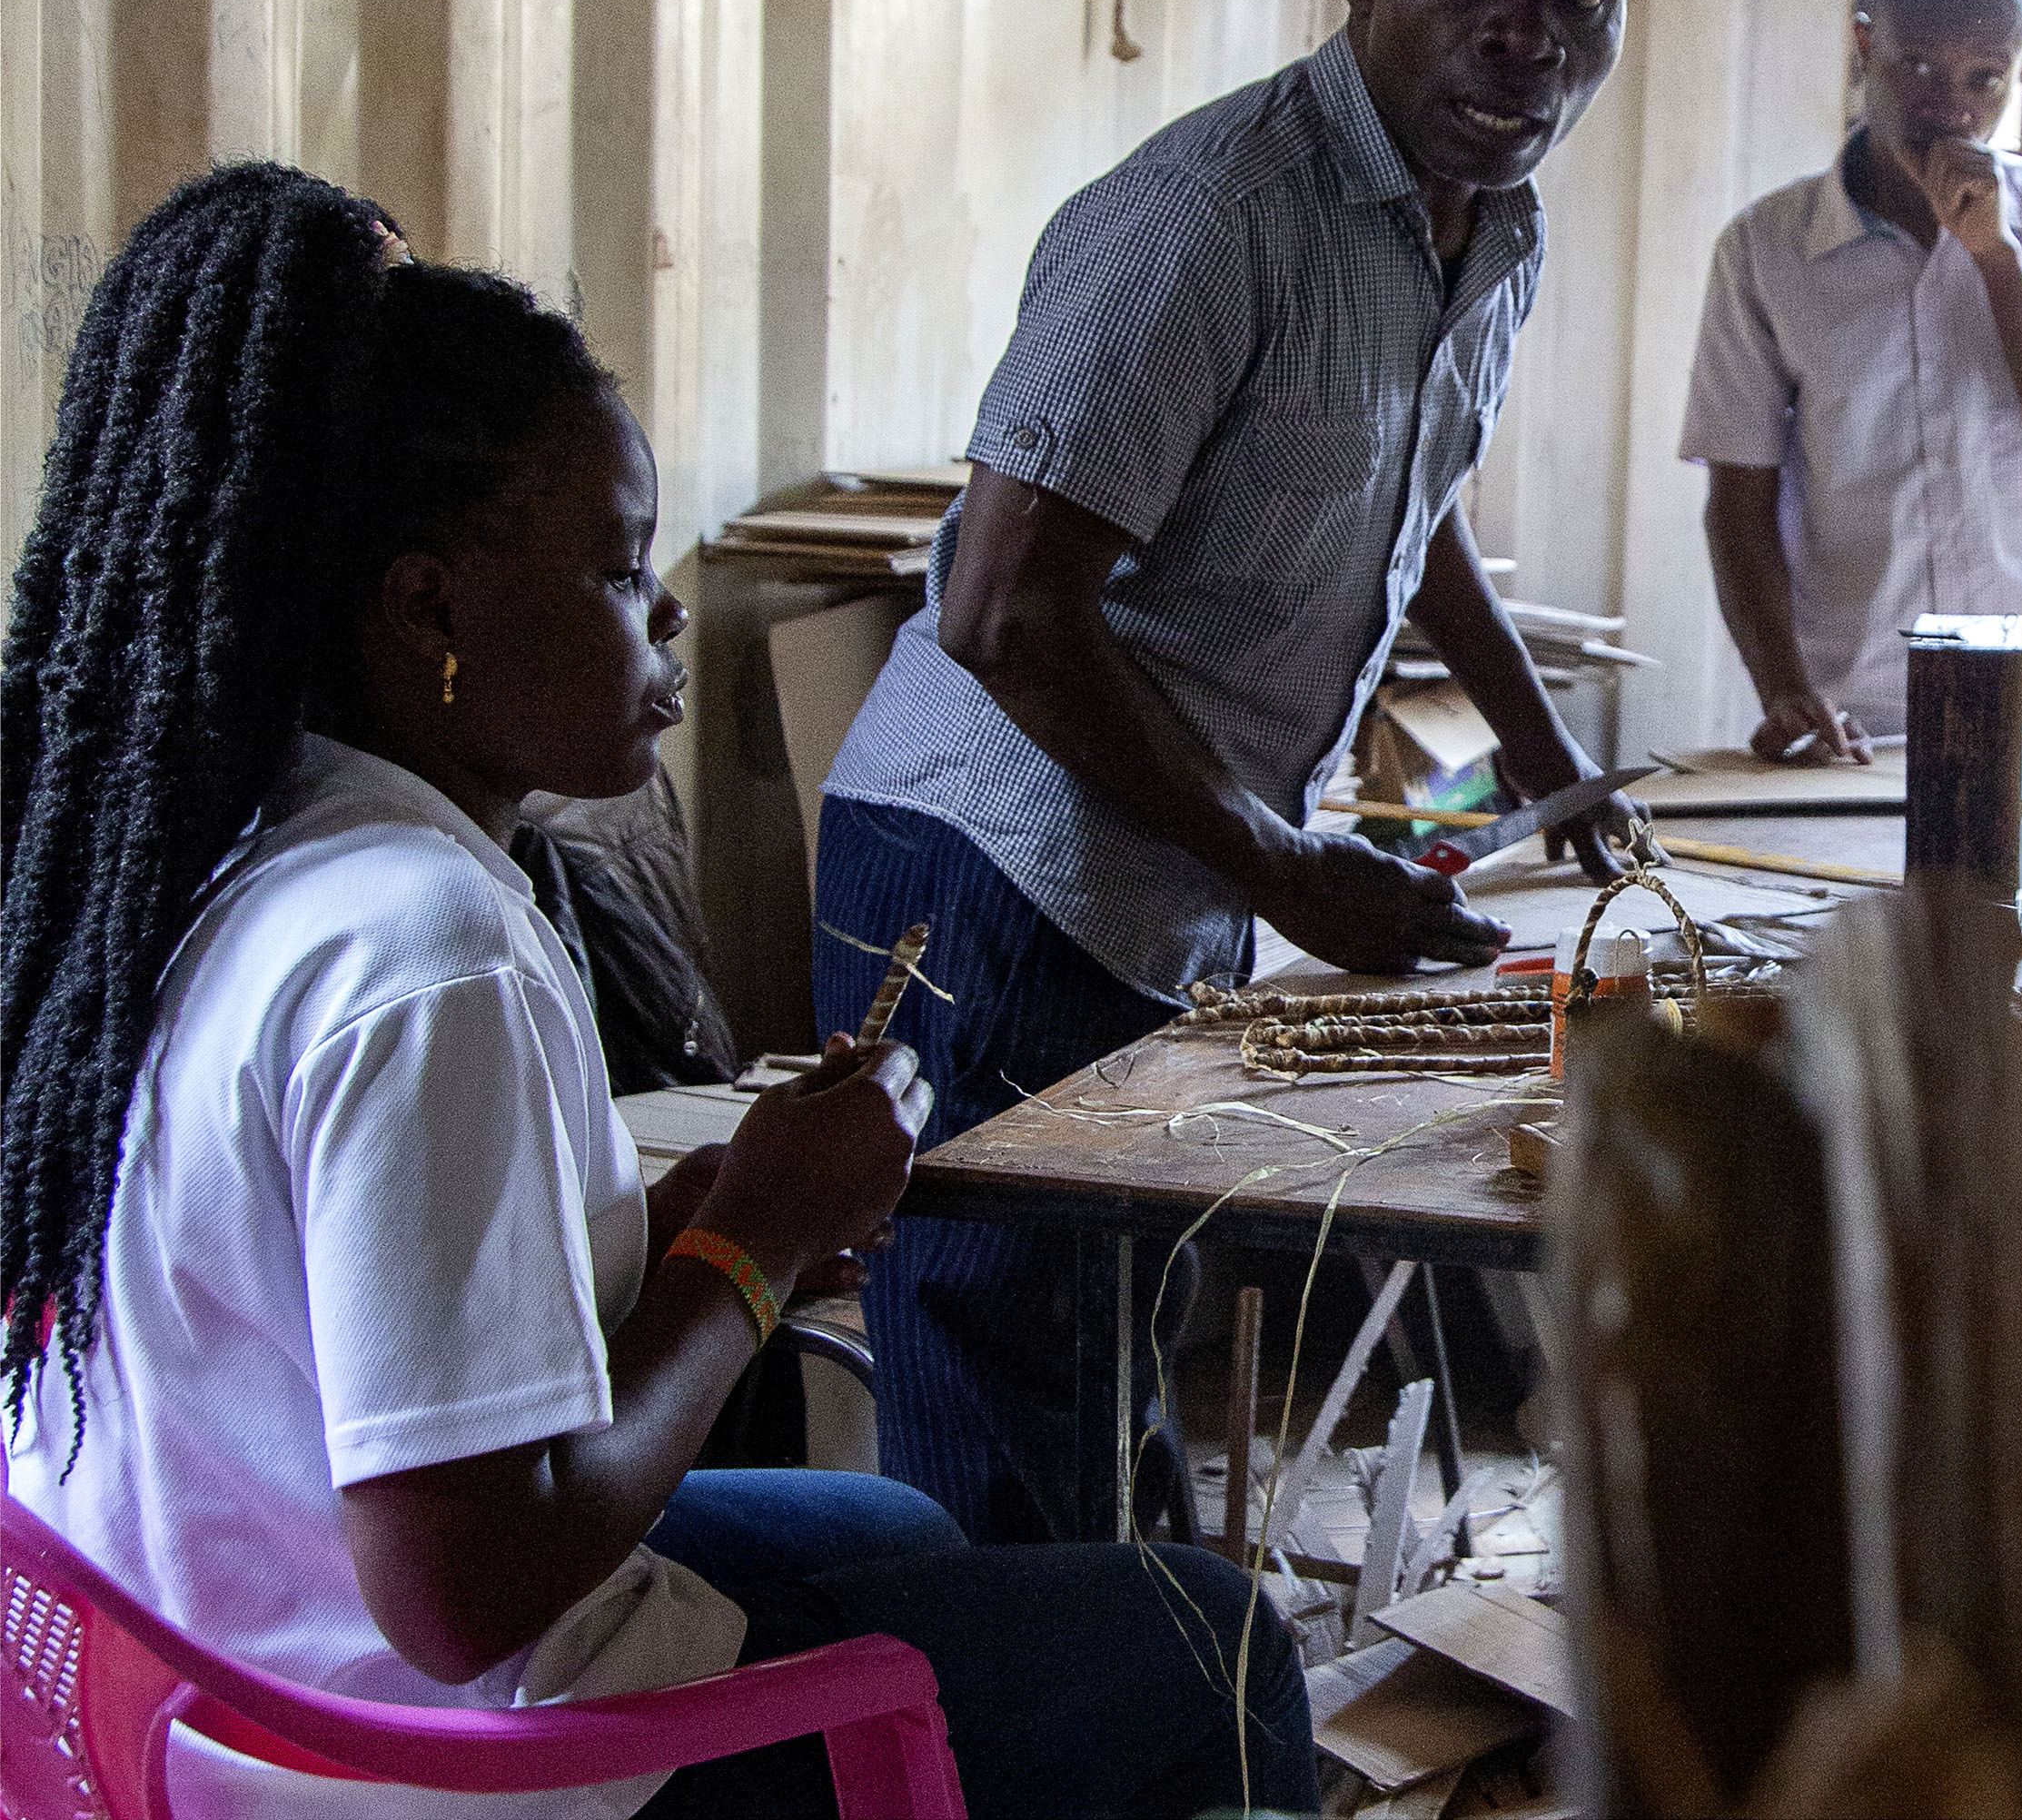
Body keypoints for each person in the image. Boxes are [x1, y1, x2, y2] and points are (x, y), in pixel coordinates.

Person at [0, 166, 1311, 1820]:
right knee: (1208, 1643)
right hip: (419, 1766)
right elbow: (467, 1588)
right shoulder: (423, 952)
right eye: (622, 572)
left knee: (897, 1528)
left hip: (219, 1658)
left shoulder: (205, 855)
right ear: (431, 609)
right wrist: (747, 1253)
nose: (669, 612)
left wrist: (694, 1216)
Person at [818, 0, 1690, 1541]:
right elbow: (1001, 607)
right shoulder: (1218, 212)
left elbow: (1404, 501)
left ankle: (1107, 1698)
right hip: (986, 871)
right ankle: (1003, 1747)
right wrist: (1290, 867)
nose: (1526, 36)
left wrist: (1538, 753)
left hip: (1163, 867)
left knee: (1102, 1368)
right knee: (1013, 1413)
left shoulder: (1489, 224)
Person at [1681, 0, 2022, 760]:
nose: (1950, 107)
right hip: (1856, 719)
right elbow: (1739, 507)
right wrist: (1784, 689)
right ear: (1866, 44)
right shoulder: (1765, 250)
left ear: (2020, 76)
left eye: (1984, 78)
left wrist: (1996, 258)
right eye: (1921, 67)